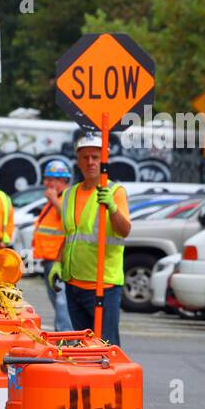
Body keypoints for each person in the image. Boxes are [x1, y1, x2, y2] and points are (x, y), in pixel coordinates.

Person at [50, 134, 132, 345]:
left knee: (105, 347)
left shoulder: (115, 192)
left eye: (95, 157)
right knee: (84, 347)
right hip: (73, 284)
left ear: (104, 160)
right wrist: (57, 264)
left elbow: (124, 231)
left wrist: (112, 209)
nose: (90, 162)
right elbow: (71, 236)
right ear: (78, 161)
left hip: (102, 285)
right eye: (85, 157)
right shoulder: (69, 194)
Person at [32, 159, 74, 332]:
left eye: (49, 179)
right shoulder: (56, 199)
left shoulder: (66, 198)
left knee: (61, 299)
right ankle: (64, 333)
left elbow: (68, 220)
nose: (46, 183)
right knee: (57, 300)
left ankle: (65, 336)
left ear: (61, 181)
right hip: (49, 259)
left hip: (59, 259)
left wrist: (54, 199)